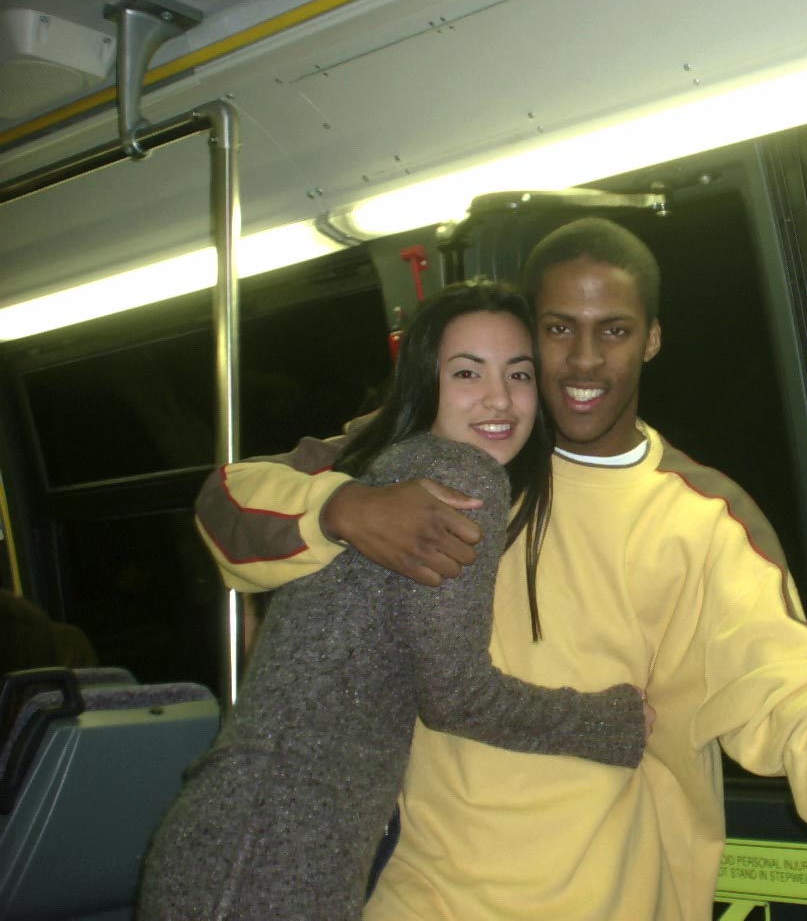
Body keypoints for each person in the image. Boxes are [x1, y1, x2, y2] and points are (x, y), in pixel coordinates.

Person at [194, 219, 807, 919]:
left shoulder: (698, 517)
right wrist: (343, 510)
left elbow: (788, 684)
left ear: (652, 339)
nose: (585, 360)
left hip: (607, 895)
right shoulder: (437, 447)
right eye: (559, 329)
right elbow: (229, 502)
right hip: (414, 894)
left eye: (615, 331)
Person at [138, 280, 649, 921]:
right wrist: (616, 722)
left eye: (519, 374)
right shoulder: (460, 476)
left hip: (245, 830)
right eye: (467, 373)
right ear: (425, 382)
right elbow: (457, 696)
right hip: (271, 851)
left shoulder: (387, 461)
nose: (499, 398)